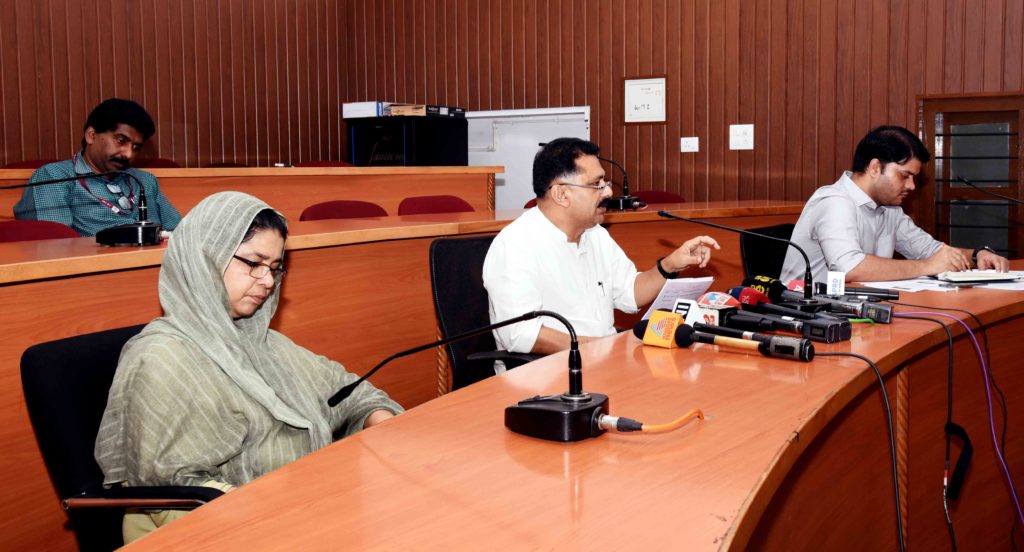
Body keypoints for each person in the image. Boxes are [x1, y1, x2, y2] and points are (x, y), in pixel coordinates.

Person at [94, 191, 402, 542]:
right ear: (205, 258)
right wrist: (292, 517)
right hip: (223, 534)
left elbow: (349, 392)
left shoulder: (260, 341)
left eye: (274, 268)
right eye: (254, 263)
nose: (268, 281)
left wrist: (381, 421)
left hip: (301, 512)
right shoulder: (161, 357)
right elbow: (178, 489)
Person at [483, 138, 719, 355]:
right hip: (546, 373)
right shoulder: (515, 245)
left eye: (604, 182)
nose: (608, 191)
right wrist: (602, 349)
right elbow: (521, 335)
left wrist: (670, 265)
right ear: (561, 194)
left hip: (602, 360)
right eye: (596, 184)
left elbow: (629, 293)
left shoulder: (595, 235)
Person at [780, 126, 1010, 284]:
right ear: (875, 168)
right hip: (808, 318)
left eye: (914, 178)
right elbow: (849, 268)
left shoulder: (889, 209)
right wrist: (926, 266)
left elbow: (931, 251)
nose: (911, 186)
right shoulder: (835, 202)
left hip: (854, 312)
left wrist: (977, 255)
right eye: (904, 176)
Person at [14, 98, 182, 236]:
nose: (129, 154)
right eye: (121, 141)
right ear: (91, 136)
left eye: (136, 147)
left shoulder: (145, 181)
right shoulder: (54, 177)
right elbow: (57, 246)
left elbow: (181, 233)